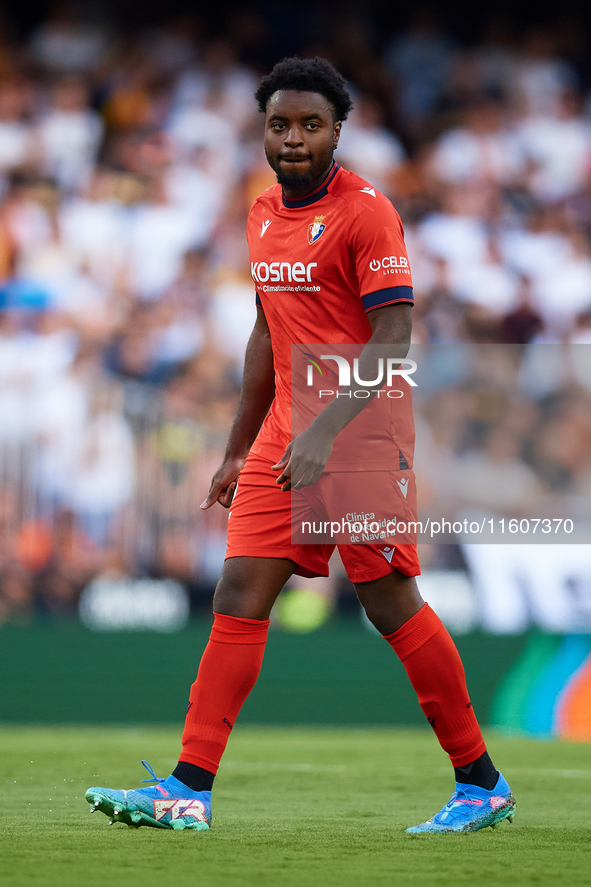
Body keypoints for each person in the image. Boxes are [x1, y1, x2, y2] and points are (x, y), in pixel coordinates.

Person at [86, 57, 515, 834]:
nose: (293, 138)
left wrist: (324, 431)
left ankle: (479, 781)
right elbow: (264, 332)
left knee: (390, 604)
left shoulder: (366, 213)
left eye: (310, 125)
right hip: (288, 433)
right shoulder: (258, 214)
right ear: (263, 132)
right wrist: (235, 447)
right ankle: (188, 787)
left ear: (336, 132)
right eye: (279, 125)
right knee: (238, 593)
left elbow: (393, 336)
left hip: (360, 431)